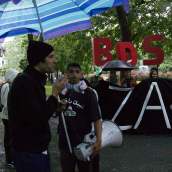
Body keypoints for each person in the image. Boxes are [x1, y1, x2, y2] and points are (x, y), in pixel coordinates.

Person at [7, 40, 68, 172]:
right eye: (51, 57)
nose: (55, 60)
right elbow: (37, 120)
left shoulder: (34, 80)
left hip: (38, 149)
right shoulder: (25, 82)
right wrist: (55, 94)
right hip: (28, 152)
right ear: (39, 60)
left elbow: (36, 112)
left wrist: (54, 108)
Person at [57, 62, 102, 172]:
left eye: (77, 72)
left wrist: (99, 141)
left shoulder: (89, 93)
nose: (74, 74)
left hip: (85, 142)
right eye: (71, 71)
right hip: (65, 142)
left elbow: (96, 119)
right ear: (66, 74)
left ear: (81, 74)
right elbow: (53, 113)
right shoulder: (60, 93)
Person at [1, 68, 20, 168]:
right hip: (9, 116)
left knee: (8, 136)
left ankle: (11, 158)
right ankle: (10, 159)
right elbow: (8, 104)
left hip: (6, 115)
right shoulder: (8, 86)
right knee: (10, 137)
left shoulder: (5, 85)